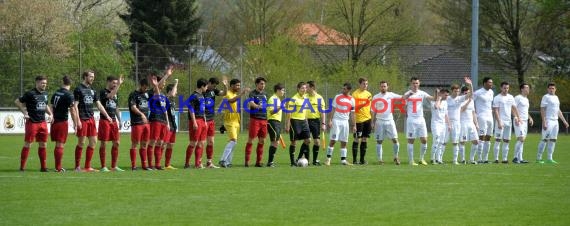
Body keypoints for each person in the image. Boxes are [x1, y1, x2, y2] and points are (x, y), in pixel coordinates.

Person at [74, 70, 112, 172]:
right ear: (85, 77)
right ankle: (77, 167)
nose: (92, 78)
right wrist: (77, 120)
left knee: (94, 142)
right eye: (91, 76)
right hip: (82, 118)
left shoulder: (93, 90)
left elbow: (99, 105)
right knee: (81, 142)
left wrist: (107, 116)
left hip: (91, 119)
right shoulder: (78, 89)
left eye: (93, 77)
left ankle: (87, 166)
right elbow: (75, 106)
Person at [15, 75, 53, 172]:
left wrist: (51, 114)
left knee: (43, 144)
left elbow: (45, 105)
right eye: (42, 83)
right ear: (37, 83)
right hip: (32, 123)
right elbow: (17, 102)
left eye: (45, 83)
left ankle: (43, 167)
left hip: (43, 123)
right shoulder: (30, 93)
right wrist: (25, 112)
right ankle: (22, 167)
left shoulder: (45, 93)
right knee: (28, 144)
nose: (44, 85)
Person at [403, 77, 436, 165]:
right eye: (413, 83)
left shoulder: (422, 93)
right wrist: (408, 95)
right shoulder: (408, 93)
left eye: (417, 83)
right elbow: (403, 98)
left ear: (419, 84)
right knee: (411, 140)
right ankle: (411, 160)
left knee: (424, 139)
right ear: (411, 84)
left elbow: (433, 98)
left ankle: (421, 159)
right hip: (411, 120)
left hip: (421, 119)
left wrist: (436, 93)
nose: (415, 85)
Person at [49, 75, 79, 172]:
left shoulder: (56, 93)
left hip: (54, 122)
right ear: (71, 84)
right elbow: (73, 110)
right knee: (60, 144)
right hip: (62, 122)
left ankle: (57, 166)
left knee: (58, 144)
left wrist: (51, 115)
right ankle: (58, 168)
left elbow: (51, 106)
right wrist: (75, 123)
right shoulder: (69, 95)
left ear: (62, 82)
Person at [219, 79, 250, 167]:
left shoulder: (235, 94)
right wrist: (243, 93)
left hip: (236, 121)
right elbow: (231, 101)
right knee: (233, 141)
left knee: (233, 142)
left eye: (239, 85)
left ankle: (228, 162)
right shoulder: (227, 94)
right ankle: (222, 159)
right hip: (230, 122)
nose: (238, 87)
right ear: (231, 86)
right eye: (237, 85)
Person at [146, 68, 173, 170]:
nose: (164, 84)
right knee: (153, 141)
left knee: (160, 143)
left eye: (165, 82)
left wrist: (168, 123)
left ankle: (157, 164)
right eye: (163, 82)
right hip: (155, 119)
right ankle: (150, 165)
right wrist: (166, 75)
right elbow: (156, 89)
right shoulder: (153, 92)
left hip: (163, 120)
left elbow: (165, 110)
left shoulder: (163, 96)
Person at [536, 82, 569, 164]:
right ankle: (538, 158)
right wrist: (544, 121)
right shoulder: (545, 97)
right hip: (548, 120)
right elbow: (542, 109)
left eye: (553, 88)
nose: (551, 90)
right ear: (547, 89)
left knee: (553, 140)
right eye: (550, 88)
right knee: (544, 139)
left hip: (555, 121)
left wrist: (564, 121)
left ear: (555, 89)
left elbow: (558, 110)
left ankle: (549, 158)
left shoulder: (556, 97)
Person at [325, 83, 356, 166]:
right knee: (333, 140)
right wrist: (330, 120)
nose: (343, 90)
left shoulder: (352, 100)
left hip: (345, 122)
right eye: (343, 88)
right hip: (336, 121)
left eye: (345, 89)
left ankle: (343, 160)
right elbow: (333, 109)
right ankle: (328, 159)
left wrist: (354, 125)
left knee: (344, 141)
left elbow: (353, 114)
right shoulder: (337, 97)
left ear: (349, 90)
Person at [371, 81, 402, 165]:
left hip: (390, 121)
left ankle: (396, 157)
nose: (383, 88)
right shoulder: (375, 97)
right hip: (379, 122)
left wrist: (410, 93)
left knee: (395, 140)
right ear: (379, 87)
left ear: (387, 87)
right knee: (379, 141)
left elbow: (402, 97)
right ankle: (380, 159)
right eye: (381, 86)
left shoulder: (391, 95)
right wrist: (372, 122)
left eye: (384, 86)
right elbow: (373, 111)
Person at [97, 76, 124, 172]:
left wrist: (120, 120)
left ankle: (114, 166)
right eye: (113, 83)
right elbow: (110, 96)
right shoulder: (103, 92)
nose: (115, 85)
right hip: (104, 120)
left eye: (116, 83)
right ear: (108, 82)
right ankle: (103, 166)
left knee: (117, 143)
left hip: (113, 121)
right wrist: (119, 85)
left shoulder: (116, 93)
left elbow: (116, 107)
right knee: (104, 143)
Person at [492, 81, 521, 163]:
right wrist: (499, 122)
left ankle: (504, 159)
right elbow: (496, 111)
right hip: (500, 121)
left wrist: (517, 117)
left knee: (507, 140)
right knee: (498, 140)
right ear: (501, 88)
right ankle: (496, 159)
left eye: (507, 88)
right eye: (504, 88)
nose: (506, 89)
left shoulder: (511, 97)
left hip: (508, 122)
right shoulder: (497, 97)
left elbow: (514, 108)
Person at [447, 77, 473, 164]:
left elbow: (470, 95)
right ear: (452, 91)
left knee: (455, 142)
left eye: (458, 91)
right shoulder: (447, 99)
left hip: (457, 123)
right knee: (442, 142)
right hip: (446, 123)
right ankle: (437, 160)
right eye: (455, 91)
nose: (457, 92)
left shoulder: (460, 98)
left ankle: (455, 160)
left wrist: (470, 85)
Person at [203, 77, 228, 168]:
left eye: (215, 86)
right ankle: (198, 162)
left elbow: (224, 93)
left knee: (211, 142)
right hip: (203, 119)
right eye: (213, 85)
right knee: (201, 142)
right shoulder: (202, 91)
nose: (214, 87)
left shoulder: (214, 91)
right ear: (209, 83)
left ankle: (209, 162)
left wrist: (225, 86)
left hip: (211, 119)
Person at [285, 82, 312, 166]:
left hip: (304, 122)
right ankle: (292, 162)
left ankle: (299, 158)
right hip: (295, 122)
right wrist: (287, 125)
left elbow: (305, 112)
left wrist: (306, 121)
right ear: (298, 89)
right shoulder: (294, 99)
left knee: (308, 140)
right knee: (294, 142)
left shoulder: (306, 98)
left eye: (305, 88)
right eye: (302, 88)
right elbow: (289, 113)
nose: (304, 90)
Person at [244, 77, 268, 167]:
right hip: (255, 119)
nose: (263, 85)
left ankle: (258, 162)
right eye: (261, 83)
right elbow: (251, 103)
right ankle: (247, 161)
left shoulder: (265, 94)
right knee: (251, 140)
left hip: (264, 120)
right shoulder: (252, 93)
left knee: (262, 141)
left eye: (264, 84)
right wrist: (258, 106)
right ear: (257, 84)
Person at [185, 78, 209, 169]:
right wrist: (194, 122)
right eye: (206, 86)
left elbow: (203, 110)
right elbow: (191, 109)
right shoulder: (193, 96)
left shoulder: (202, 96)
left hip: (202, 121)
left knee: (201, 143)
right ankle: (187, 163)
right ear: (202, 86)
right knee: (193, 143)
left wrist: (205, 121)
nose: (206, 88)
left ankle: (197, 164)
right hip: (196, 121)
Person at [128, 78, 151, 170]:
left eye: (147, 88)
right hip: (137, 123)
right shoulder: (133, 95)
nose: (146, 90)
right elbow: (133, 107)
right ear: (141, 85)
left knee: (144, 143)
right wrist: (142, 114)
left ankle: (144, 165)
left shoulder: (146, 94)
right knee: (135, 143)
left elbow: (157, 90)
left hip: (146, 123)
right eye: (144, 88)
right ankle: (134, 166)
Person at [351, 78, 373, 165]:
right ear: (359, 84)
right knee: (357, 139)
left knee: (364, 139)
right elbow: (354, 109)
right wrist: (364, 104)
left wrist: (372, 120)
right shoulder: (355, 94)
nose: (365, 85)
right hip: (359, 120)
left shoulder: (369, 94)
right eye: (364, 84)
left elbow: (370, 108)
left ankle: (362, 160)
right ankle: (354, 160)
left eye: (367, 84)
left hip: (367, 119)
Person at [473, 77, 494, 163]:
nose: (491, 84)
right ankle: (479, 158)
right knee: (481, 137)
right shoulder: (478, 93)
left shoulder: (491, 92)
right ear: (484, 83)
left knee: (488, 137)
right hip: (481, 117)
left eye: (491, 83)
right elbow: (471, 102)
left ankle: (485, 159)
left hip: (490, 117)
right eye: (489, 82)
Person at [306, 81, 327, 166]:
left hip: (315, 121)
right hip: (305, 121)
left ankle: (315, 160)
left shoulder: (319, 98)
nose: (306, 89)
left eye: (307, 87)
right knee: (307, 141)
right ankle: (306, 160)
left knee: (317, 142)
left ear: (312, 88)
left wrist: (323, 123)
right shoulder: (304, 97)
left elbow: (322, 112)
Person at [459, 86, 480, 164]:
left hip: (471, 123)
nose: (467, 94)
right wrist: (467, 102)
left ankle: (471, 159)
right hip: (463, 123)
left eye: (468, 92)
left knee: (476, 141)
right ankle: (463, 159)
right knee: (462, 141)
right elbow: (461, 110)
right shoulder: (460, 100)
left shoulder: (472, 101)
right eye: (465, 93)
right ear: (463, 93)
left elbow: (473, 113)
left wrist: (476, 123)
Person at [513, 83, 533, 163]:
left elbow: (525, 111)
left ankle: (520, 159)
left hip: (525, 121)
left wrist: (530, 118)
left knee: (521, 140)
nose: (528, 89)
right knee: (521, 138)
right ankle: (515, 157)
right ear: (522, 89)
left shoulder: (526, 99)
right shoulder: (518, 98)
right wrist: (516, 117)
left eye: (528, 88)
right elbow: (513, 108)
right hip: (519, 121)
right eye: (526, 88)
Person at [266, 83, 285, 167]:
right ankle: (270, 162)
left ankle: (270, 162)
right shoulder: (272, 99)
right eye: (282, 90)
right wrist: (280, 107)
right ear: (278, 90)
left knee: (275, 142)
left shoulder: (278, 99)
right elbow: (271, 111)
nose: (283, 92)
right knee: (274, 142)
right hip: (272, 121)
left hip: (277, 122)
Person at [430, 89, 450, 164]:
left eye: (448, 95)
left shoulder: (445, 103)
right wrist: (438, 98)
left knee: (441, 142)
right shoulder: (433, 101)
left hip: (443, 124)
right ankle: (432, 158)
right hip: (435, 123)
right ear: (441, 94)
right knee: (436, 140)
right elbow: (436, 107)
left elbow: (446, 114)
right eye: (445, 95)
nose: (447, 96)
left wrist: (449, 124)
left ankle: (439, 159)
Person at [162, 80, 179, 169]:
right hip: (167, 125)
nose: (176, 92)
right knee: (164, 144)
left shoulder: (173, 101)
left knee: (171, 144)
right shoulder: (165, 98)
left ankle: (167, 164)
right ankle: (158, 164)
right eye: (175, 90)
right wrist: (176, 83)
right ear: (170, 91)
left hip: (173, 125)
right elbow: (171, 94)